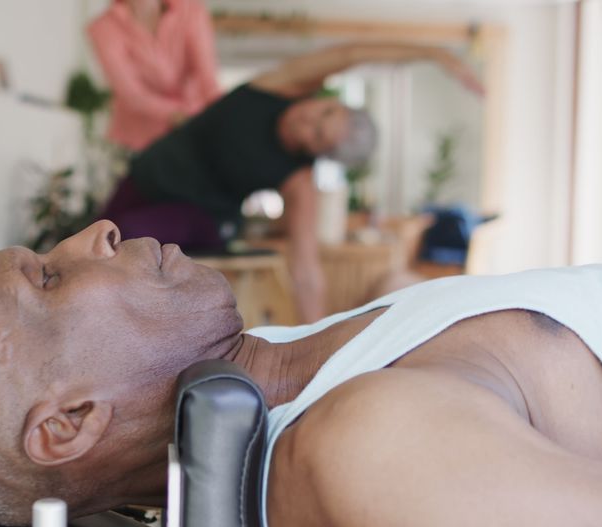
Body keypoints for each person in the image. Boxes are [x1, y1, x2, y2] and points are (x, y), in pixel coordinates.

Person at [0, 221, 602, 527]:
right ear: (71, 420)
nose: (94, 233)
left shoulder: (285, 369)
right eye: (47, 277)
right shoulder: (368, 448)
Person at [101, 42, 483, 322]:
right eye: (324, 113)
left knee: (126, 238)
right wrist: (436, 55)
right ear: (328, 99)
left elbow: (306, 271)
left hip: (200, 214)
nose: (309, 122)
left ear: (319, 154)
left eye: (319, 136)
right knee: (90, 237)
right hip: (149, 175)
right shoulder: (279, 86)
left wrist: (315, 337)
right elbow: (350, 53)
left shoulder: (299, 180)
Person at [87, 0, 222, 151]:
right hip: (139, 139)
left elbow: (207, 77)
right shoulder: (104, 28)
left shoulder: (192, 11)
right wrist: (178, 113)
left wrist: (222, 114)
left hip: (194, 128)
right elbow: (131, 93)